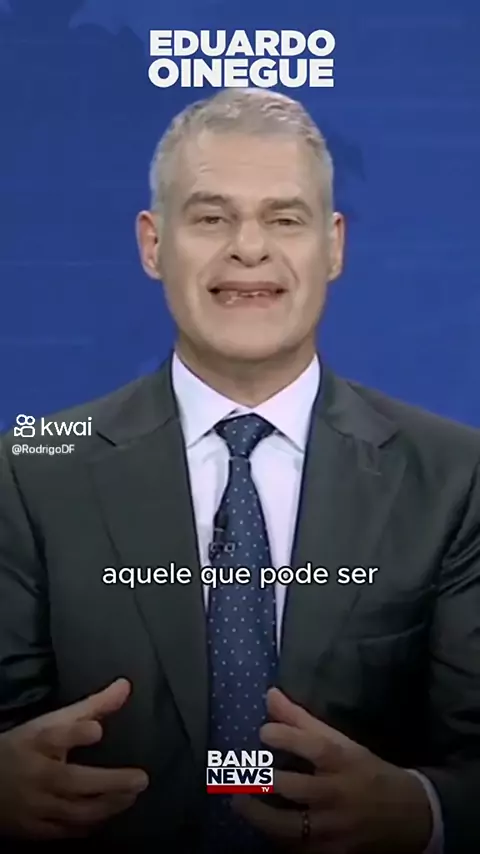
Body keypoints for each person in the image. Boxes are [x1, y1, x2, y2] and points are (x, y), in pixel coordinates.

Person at [0, 88, 479, 853]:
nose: (248, 248)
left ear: (333, 246)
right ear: (153, 245)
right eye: (211, 218)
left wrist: (418, 811)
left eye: (284, 219)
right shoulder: (31, 470)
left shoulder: (455, 477)